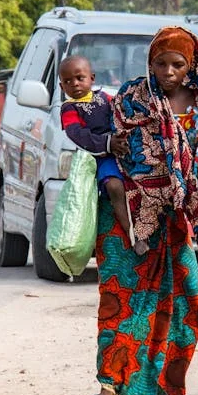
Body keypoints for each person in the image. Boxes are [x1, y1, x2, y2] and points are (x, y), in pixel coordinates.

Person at [77, 26, 198, 395]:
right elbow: (106, 141)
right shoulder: (131, 98)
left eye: (177, 65)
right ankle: (108, 391)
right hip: (125, 215)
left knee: (180, 306)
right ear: (149, 63)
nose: (168, 72)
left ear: (191, 65)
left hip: (176, 220)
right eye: (160, 63)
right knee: (118, 300)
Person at [58, 55, 136, 250]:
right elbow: (78, 134)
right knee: (114, 186)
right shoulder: (69, 109)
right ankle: (131, 232)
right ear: (61, 87)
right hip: (101, 156)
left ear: (92, 78)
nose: (74, 84)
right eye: (68, 81)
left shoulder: (106, 98)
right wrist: (108, 143)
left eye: (79, 78)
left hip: (126, 151)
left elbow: (124, 114)